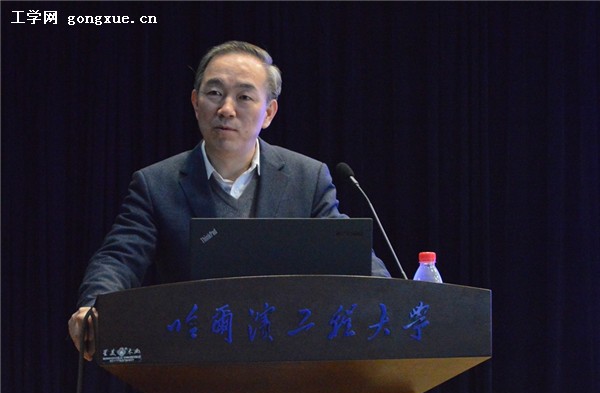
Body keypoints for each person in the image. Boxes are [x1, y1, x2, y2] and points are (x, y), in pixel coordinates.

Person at [68, 40, 390, 361]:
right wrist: (94, 306)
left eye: (244, 97)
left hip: (287, 363)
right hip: (193, 361)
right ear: (195, 103)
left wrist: (394, 298)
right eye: (214, 93)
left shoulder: (307, 178)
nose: (226, 109)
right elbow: (119, 257)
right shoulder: (157, 184)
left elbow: (347, 254)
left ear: (269, 112)